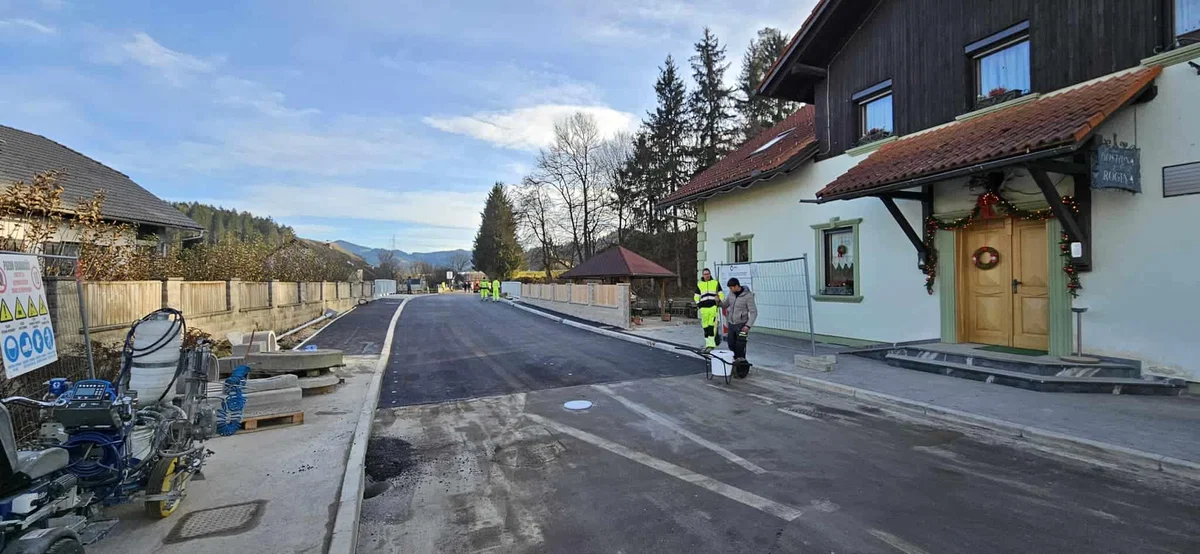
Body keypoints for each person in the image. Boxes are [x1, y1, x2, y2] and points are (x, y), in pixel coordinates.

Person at [721, 277, 757, 378]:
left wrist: (747, 326)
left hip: (742, 325)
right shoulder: (731, 294)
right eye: (729, 288)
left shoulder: (748, 296)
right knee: (731, 344)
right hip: (731, 324)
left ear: (737, 286)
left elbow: (754, 312)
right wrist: (718, 302)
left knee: (740, 347)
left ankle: (741, 369)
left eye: (731, 288)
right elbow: (725, 305)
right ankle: (735, 364)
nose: (730, 290)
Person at [694, 268, 724, 351]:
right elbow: (696, 296)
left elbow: (721, 294)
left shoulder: (715, 283)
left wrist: (719, 299)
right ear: (703, 275)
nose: (706, 275)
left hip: (713, 308)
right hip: (704, 309)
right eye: (705, 274)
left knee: (712, 327)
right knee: (705, 328)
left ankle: (711, 345)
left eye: (707, 274)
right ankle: (708, 344)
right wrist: (699, 305)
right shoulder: (700, 284)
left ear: (710, 274)